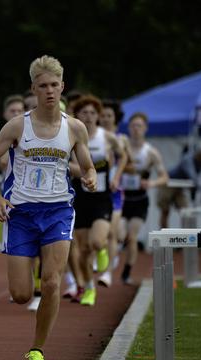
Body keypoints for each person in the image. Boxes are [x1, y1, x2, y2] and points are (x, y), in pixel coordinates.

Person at [0, 55, 96, 360]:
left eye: (54, 85)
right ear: (33, 88)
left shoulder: (74, 128)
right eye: (42, 86)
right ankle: (25, 274)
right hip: (21, 214)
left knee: (53, 282)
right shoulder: (18, 125)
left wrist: (91, 176)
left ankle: (37, 350)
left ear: (62, 87)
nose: (49, 91)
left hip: (58, 210)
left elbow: (87, 164)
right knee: (20, 294)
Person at [69, 95, 126, 306]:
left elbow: (123, 155)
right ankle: (89, 289)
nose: (90, 116)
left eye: (93, 113)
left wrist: (117, 175)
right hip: (81, 198)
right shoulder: (71, 137)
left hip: (102, 198)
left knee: (96, 241)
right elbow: (68, 166)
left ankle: (102, 249)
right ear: (77, 115)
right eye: (85, 112)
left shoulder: (107, 137)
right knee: (83, 250)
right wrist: (82, 170)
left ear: (99, 116)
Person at [120, 112, 168, 285]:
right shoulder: (121, 148)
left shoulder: (151, 152)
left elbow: (164, 177)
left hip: (139, 199)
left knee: (132, 237)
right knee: (119, 235)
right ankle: (114, 257)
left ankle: (126, 271)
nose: (136, 129)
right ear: (129, 128)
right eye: (133, 125)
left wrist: (152, 183)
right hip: (122, 197)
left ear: (145, 129)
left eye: (139, 126)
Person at [98, 99, 127, 287]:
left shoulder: (120, 139)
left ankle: (108, 273)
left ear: (115, 117)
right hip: (97, 191)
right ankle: (102, 255)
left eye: (109, 116)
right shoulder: (94, 136)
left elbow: (125, 160)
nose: (106, 119)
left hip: (115, 192)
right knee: (99, 234)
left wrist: (116, 176)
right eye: (103, 116)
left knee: (112, 233)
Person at [156, 145, 201, 228]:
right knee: (165, 211)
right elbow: (193, 177)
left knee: (185, 211)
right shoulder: (187, 159)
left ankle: (185, 235)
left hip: (179, 186)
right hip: (169, 183)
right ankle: (164, 233)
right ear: (199, 155)